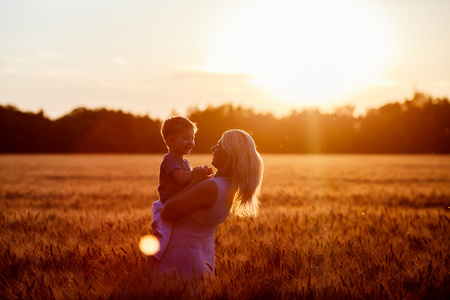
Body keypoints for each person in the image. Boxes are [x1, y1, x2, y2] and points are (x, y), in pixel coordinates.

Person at [156, 129, 264, 279]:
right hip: (202, 256)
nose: (213, 149)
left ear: (228, 154)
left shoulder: (210, 187)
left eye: (218, 145)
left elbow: (167, 212)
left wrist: (193, 181)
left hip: (181, 259)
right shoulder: (228, 186)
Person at [151, 116, 211, 260]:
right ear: (171, 141)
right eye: (186, 138)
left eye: (192, 138)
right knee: (162, 239)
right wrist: (196, 173)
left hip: (178, 203)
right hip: (166, 206)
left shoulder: (185, 162)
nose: (191, 142)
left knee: (178, 239)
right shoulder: (169, 159)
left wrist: (203, 176)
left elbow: (190, 182)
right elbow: (181, 178)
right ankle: (150, 265)